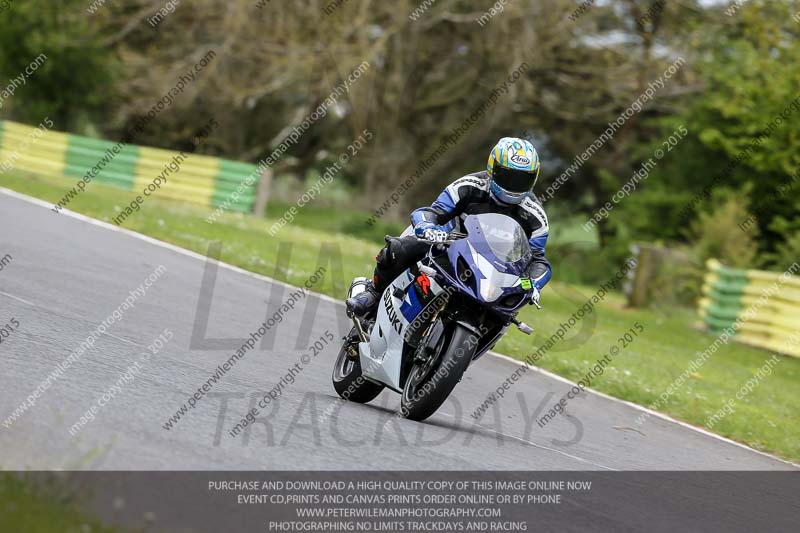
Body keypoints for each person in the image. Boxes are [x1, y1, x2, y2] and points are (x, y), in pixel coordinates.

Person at [346, 137, 552, 317]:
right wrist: (426, 226)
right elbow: (432, 212)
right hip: (448, 245)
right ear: (492, 168)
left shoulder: (535, 216)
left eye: (522, 179)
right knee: (401, 248)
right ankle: (373, 292)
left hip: (495, 270)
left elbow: (538, 260)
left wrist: (533, 282)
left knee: (509, 308)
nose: (513, 186)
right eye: (508, 176)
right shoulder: (468, 186)